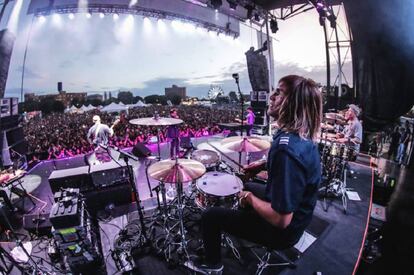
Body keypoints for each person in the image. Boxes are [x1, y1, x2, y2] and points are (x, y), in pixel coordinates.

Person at [190, 75, 322, 274]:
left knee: (210, 215)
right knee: (246, 185)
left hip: (283, 231)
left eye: (279, 92)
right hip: (301, 219)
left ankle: (213, 265)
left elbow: (281, 219)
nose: (271, 96)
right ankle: (243, 229)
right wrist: (261, 165)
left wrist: (250, 199)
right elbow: (295, 170)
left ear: (293, 103)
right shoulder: (300, 138)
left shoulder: (286, 150)